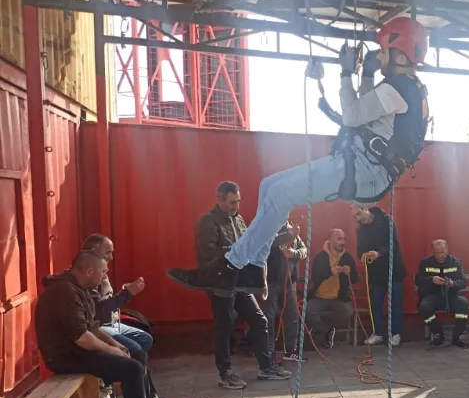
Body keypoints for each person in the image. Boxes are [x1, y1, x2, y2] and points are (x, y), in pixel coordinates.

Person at [165, 18, 430, 297]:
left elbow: (352, 115)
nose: (379, 56)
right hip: (362, 164)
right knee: (269, 185)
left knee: (281, 195)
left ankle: (228, 267)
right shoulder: (408, 88)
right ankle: (254, 268)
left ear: (400, 54)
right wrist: (366, 75)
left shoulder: (397, 89)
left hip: (365, 171)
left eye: (383, 51)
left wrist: (345, 73)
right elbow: (367, 110)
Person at [34, 252, 184, 398]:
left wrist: (116, 345)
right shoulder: (64, 292)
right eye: (103, 272)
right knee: (131, 368)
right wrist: (111, 350)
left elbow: (92, 328)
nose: (105, 276)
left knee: (135, 352)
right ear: (89, 271)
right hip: (63, 356)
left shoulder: (78, 288)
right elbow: (82, 338)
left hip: (77, 349)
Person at [173, 182, 291, 389]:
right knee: (225, 328)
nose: (236, 206)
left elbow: (251, 244)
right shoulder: (208, 222)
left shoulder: (238, 219)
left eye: (238, 201)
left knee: (259, 320)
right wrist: (236, 250)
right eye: (232, 202)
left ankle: (266, 367)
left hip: (238, 281)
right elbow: (208, 253)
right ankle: (225, 373)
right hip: (219, 282)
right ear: (219, 200)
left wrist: (284, 237)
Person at [81, 234, 185, 398]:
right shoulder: (89, 273)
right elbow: (98, 310)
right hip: (98, 328)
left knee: (145, 339)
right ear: (94, 252)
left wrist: (123, 292)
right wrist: (127, 294)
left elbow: (103, 301)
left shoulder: (97, 269)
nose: (111, 257)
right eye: (108, 252)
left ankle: (127, 379)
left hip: (112, 323)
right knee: (136, 352)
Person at [353, 205, 406, 346]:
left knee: (395, 303)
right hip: (375, 272)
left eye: (359, 214)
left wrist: (379, 253)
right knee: (375, 303)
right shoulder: (360, 230)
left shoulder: (387, 221)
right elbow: (360, 249)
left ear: (365, 209)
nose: (357, 218)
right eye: (355, 217)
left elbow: (393, 244)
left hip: (393, 269)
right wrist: (363, 255)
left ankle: (396, 334)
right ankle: (377, 334)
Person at [306, 228, 358, 349]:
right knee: (308, 310)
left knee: (347, 312)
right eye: (339, 239)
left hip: (338, 298)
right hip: (319, 297)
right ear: (330, 240)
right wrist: (331, 271)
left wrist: (350, 273)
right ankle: (326, 330)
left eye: (344, 239)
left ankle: (325, 329)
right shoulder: (320, 257)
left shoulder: (347, 258)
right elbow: (316, 276)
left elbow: (354, 279)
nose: (342, 242)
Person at [263, 221, 307, 362]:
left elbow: (304, 250)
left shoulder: (292, 228)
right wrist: (288, 235)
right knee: (268, 317)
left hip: (289, 283)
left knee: (292, 315)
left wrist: (294, 253)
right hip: (270, 282)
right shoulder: (267, 226)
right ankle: (268, 353)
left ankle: (291, 350)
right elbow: (266, 244)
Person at [415, 239, 469, 349]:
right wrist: (431, 280)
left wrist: (453, 283)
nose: (440, 255)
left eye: (442, 252)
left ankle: (457, 336)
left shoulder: (455, 262)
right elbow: (418, 280)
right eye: (437, 253)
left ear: (447, 249)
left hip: (451, 296)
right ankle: (438, 334)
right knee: (424, 306)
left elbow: (463, 282)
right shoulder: (425, 263)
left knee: (463, 304)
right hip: (433, 296)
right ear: (433, 252)